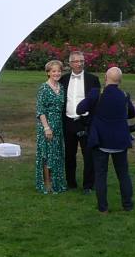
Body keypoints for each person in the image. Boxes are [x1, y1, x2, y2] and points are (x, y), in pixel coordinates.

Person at [78, 65, 135, 214]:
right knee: (123, 174)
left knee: (101, 175)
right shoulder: (124, 95)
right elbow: (131, 113)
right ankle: (128, 206)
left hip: (101, 140)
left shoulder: (96, 94)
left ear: (105, 78)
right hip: (120, 141)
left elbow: (80, 109)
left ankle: (103, 208)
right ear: (120, 80)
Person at [61, 49, 100, 193]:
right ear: (70, 63)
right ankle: (70, 182)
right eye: (76, 61)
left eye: (82, 61)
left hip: (86, 122)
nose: (79, 64)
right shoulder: (63, 80)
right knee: (69, 154)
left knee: (88, 154)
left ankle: (88, 185)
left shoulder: (93, 79)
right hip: (68, 121)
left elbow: (96, 102)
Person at [34, 59, 68, 194]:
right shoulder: (44, 88)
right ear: (48, 72)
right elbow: (40, 110)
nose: (57, 73)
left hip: (59, 125)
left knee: (57, 154)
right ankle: (47, 183)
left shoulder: (62, 87)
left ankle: (56, 182)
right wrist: (46, 128)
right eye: (53, 71)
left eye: (59, 71)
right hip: (46, 125)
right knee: (47, 154)